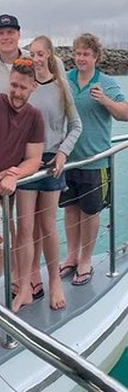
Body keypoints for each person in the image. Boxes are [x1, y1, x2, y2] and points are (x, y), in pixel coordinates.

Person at [12, 36, 82, 311]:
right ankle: (27, 284)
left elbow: (76, 125)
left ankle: (54, 281)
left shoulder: (61, 87)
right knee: (25, 228)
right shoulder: (26, 87)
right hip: (27, 161)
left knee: (48, 226)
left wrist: (64, 152)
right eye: (33, 53)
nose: (37, 58)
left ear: (50, 55)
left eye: (42, 54)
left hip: (53, 161)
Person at [58, 33, 128, 286]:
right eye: (77, 53)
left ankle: (86, 260)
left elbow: (126, 114)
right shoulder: (65, 79)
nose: (80, 58)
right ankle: (71, 257)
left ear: (96, 57)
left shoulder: (106, 83)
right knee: (70, 210)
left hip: (95, 160)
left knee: (90, 212)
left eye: (86, 54)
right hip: (67, 160)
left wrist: (105, 100)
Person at [0, 59, 45, 299]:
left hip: (9, 184)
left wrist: (13, 174)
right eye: (14, 85)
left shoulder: (35, 117)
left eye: (23, 88)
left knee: (17, 231)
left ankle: (21, 284)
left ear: (33, 87)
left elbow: (34, 159)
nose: (17, 93)